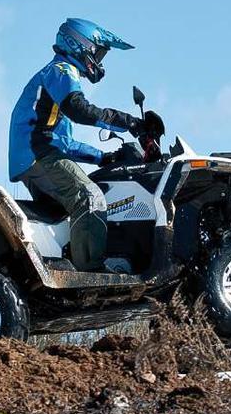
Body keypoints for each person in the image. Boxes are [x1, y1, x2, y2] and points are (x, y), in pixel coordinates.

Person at [9, 18, 142, 271]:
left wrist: (103, 158)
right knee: (89, 197)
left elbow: (65, 143)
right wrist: (129, 122)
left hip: (34, 156)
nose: (99, 62)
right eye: (98, 53)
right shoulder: (61, 70)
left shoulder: (52, 91)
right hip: (37, 154)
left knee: (69, 216)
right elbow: (80, 110)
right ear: (79, 45)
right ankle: (91, 271)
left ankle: (63, 265)